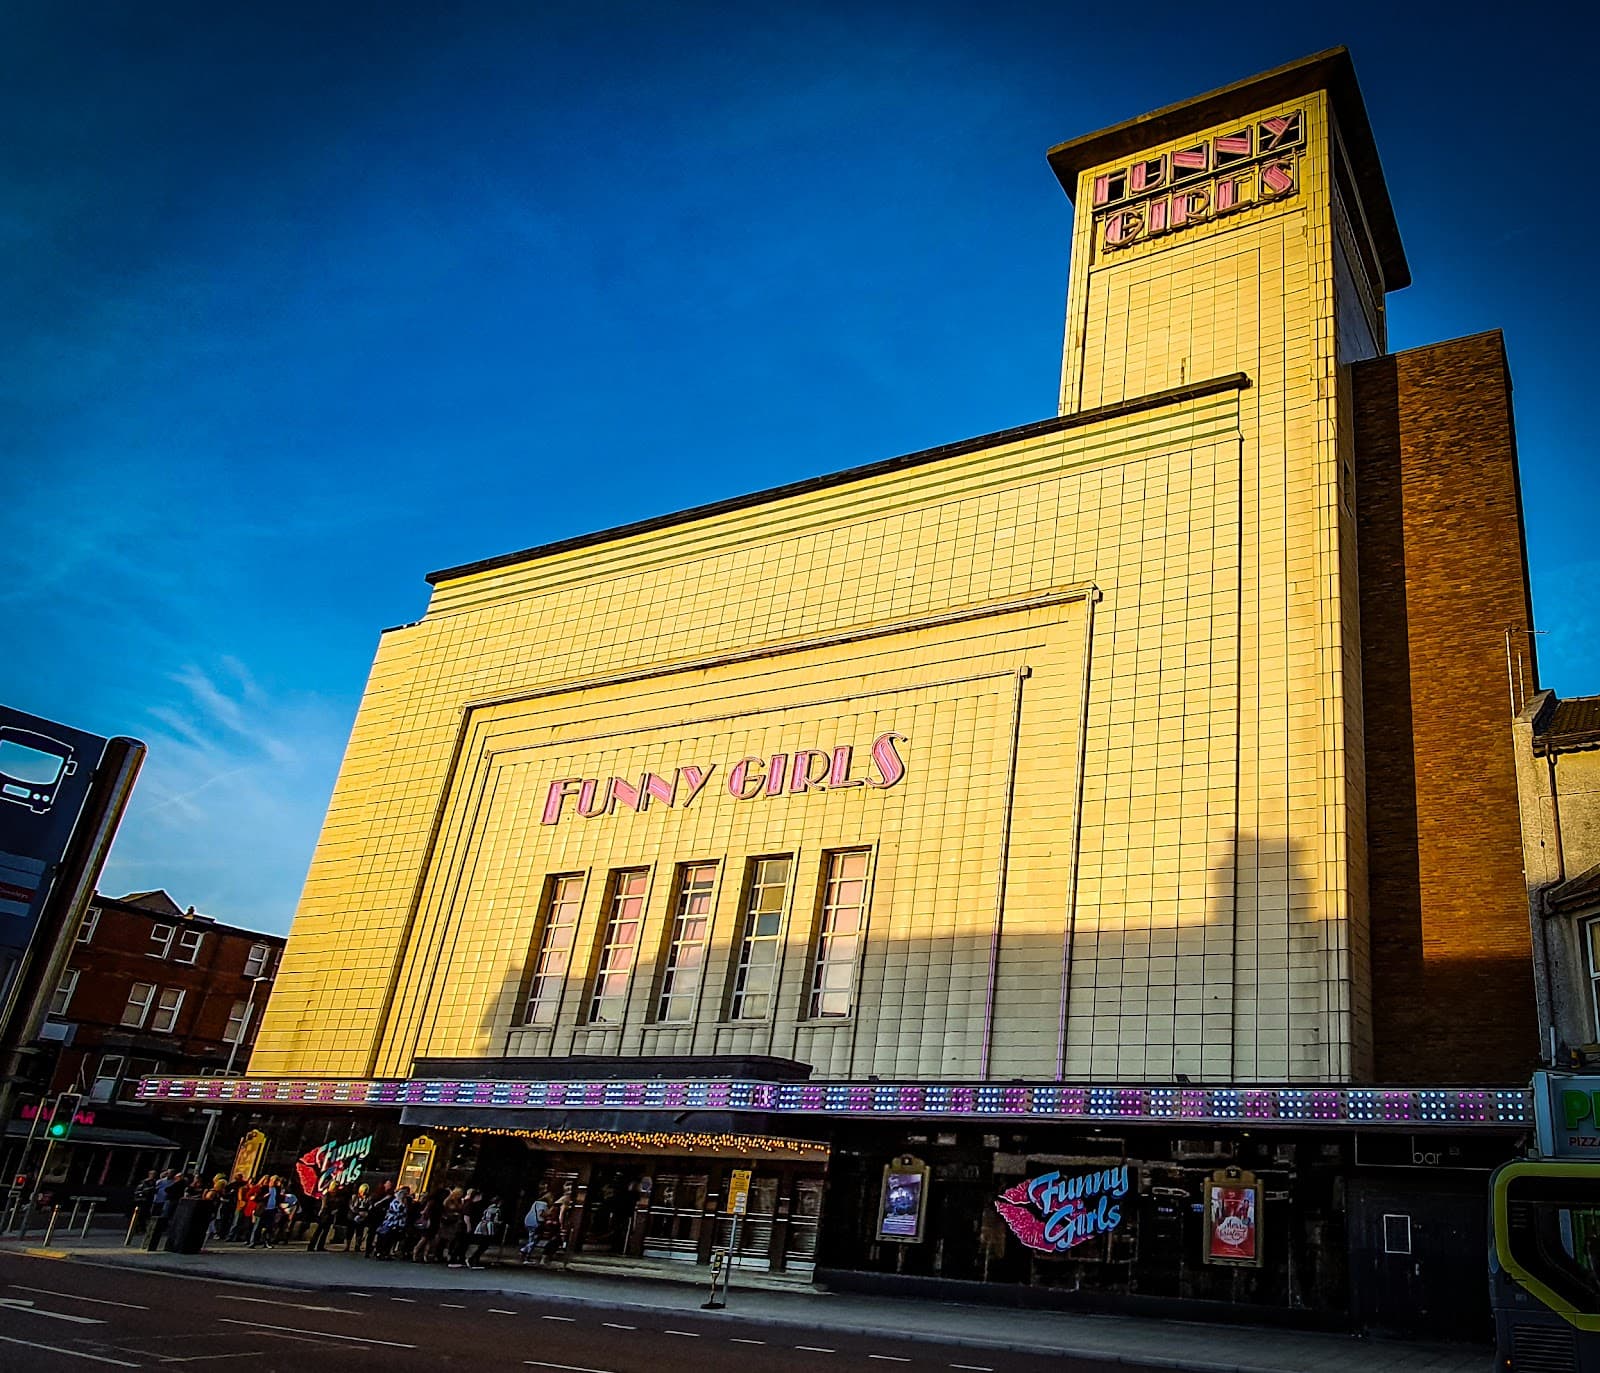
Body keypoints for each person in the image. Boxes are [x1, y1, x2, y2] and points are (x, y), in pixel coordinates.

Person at [144, 1171, 184, 1252]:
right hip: (159, 1200)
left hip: (167, 1201)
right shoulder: (161, 1181)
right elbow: (156, 1189)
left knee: (163, 1215)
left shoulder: (175, 1183)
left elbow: (169, 1190)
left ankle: (159, 1229)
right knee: (155, 1215)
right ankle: (150, 1229)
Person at [307, 1182, 346, 1252]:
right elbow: (324, 1205)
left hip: (330, 1215)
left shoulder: (337, 1195)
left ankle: (320, 1246)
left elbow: (339, 1204)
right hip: (325, 1214)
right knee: (318, 1231)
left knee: (325, 1232)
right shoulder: (326, 1194)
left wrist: (335, 1210)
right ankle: (311, 1246)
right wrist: (328, 1211)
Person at [464, 1195, 501, 1269]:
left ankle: (474, 1259)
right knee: (485, 1244)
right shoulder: (496, 1209)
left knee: (483, 1243)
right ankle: (473, 1259)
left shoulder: (488, 1208)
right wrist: (499, 1223)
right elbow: (495, 1220)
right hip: (488, 1226)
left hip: (482, 1224)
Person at [374, 1185, 411, 1259]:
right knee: (386, 1238)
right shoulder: (396, 1202)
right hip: (391, 1223)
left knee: (390, 1239)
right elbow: (398, 1211)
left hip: (395, 1223)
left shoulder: (400, 1202)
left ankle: (385, 1253)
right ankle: (382, 1252)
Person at [519, 1190, 551, 1264]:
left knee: (532, 1239)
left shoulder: (536, 1202)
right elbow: (541, 1214)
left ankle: (525, 1254)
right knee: (533, 1240)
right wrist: (547, 1215)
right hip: (536, 1223)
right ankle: (525, 1254)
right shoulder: (544, 1204)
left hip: (528, 1221)